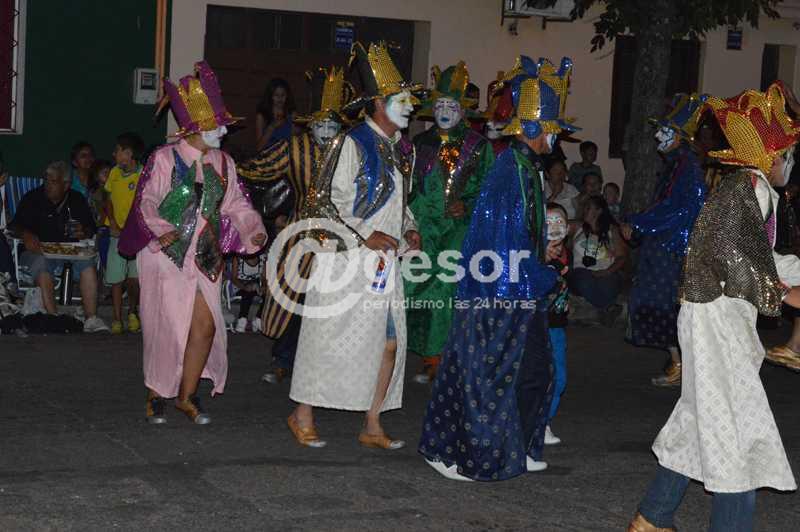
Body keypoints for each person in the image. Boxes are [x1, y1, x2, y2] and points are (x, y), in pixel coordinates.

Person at [627, 82, 800, 532]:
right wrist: (781, 294)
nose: (791, 162)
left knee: (699, 418)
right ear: (771, 156)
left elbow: (756, 255)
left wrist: (793, 274)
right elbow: (730, 253)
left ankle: (652, 519)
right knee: (735, 426)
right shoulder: (751, 189)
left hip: (712, 314)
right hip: (716, 319)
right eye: (787, 153)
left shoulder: (747, 187)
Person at [419, 56, 578, 481]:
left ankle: (519, 445)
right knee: (482, 376)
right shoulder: (510, 173)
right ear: (533, 129)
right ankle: (453, 454)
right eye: (551, 128)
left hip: (521, 292)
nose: (556, 136)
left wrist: (543, 261)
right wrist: (542, 276)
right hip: (500, 295)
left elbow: (522, 236)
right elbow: (506, 248)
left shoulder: (527, 169)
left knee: (536, 371)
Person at [287, 41, 422, 449]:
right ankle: (302, 413)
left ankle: (372, 423)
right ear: (379, 103)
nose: (411, 107)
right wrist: (364, 235)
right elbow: (323, 202)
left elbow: (399, 204)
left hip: (383, 265)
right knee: (329, 338)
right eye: (402, 100)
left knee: (389, 342)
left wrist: (409, 229)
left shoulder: (402, 150)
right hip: (345, 260)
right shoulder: (351, 143)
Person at [119, 61, 266, 425]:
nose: (223, 131)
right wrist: (159, 228)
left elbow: (236, 204)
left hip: (205, 255)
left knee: (206, 324)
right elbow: (147, 200)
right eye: (216, 125)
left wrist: (252, 230)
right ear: (193, 128)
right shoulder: (164, 158)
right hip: (165, 255)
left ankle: (186, 396)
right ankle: (156, 392)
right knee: (167, 326)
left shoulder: (224, 163)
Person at [238, 66, 353, 384]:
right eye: (321, 123)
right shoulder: (294, 147)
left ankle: (325, 365)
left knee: (333, 302)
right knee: (293, 297)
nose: (326, 130)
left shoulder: (351, 150)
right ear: (310, 123)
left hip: (341, 239)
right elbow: (256, 169)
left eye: (332, 124)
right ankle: (284, 360)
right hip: (300, 234)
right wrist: (223, 168)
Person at [405, 61, 494, 384]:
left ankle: (437, 357)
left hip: (457, 230)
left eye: (451, 105)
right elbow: (409, 188)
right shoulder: (420, 144)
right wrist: (410, 223)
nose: (444, 111)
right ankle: (411, 348)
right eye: (440, 104)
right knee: (411, 286)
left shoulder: (478, 146)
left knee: (444, 288)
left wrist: (467, 205)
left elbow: (489, 190)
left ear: (463, 110)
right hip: (423, 227)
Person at [620, 93, 709, 388]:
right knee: (659, 305)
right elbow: (666, 205)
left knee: (665, 307)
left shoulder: (686, 168)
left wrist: (639, 222)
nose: (658, 135)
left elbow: (677, 209)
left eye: (665, 130)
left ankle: (683, 366)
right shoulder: (676, 164)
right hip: (665, 246)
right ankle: (679, 363)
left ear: (680, 137)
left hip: (673, 249)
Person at [10, 161, 108, 332]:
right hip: (38, 250)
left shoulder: (76, 199)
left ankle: (91, 318)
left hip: (69, 251)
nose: (47, 185)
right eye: (46, 180)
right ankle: (53, 318)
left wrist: (83, 231)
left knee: (87, 263)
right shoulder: (33, 198)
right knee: (41, 263)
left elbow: (91, 228)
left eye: (53, 181)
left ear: (66, 185)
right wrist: (25, 234)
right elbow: (14, 226)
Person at [106, 132, 145, 334]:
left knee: (134, 278)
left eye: (118, 151)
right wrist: (112, 222)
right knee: (116, 277)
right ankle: (116, 318)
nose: (114, 154)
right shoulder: (114, 172)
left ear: (129, 154)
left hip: (136, 235)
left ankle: (132, 312)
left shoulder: (144, 175)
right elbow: (108, 199)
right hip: (116, 234)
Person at [568, 195, 626, 326]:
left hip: (607, 271)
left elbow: (621, 257)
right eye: (585, 207)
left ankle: (599, 311)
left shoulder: (612, 230)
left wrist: (607, 271)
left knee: (608, 286)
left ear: (599, 211)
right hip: (582, 271)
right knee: (584, 281)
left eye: (588, 208)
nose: (584, 210)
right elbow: (557, 224)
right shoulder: (578, 226)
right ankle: (607, 308)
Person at [544, 202, 570, 446]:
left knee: (559, 377)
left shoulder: (564, 254)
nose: (554, 227)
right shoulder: (536, 256)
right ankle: (535, 422)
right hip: (536, 326)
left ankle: (543, 421)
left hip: (557, 327)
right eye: (548, 222)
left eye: (559, 221)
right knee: (538, 376)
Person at [255, 78, 297, 151]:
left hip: (287, 154)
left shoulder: (291, 114)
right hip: (268, 155)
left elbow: (294, 142)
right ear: (270, 96)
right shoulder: (262, 116)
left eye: (283, 95)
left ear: (287, 96)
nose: (280, 98)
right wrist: (271, 127)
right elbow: (259, 148)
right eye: (276, 95)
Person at [231, 252, 265, 333]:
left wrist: (263, 286)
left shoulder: (262, 257)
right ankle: (242, 320)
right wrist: (244, 287)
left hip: (256, 285)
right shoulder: (238, 258)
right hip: (239, 285)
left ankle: (258, 319)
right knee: (248, 292)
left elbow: (263, 277)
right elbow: (234, 278)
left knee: (268, 294)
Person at [89, 160, 112, 270]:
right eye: (104, 173)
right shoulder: (97, 192)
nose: (108, 175)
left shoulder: (112, 190)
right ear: (96, 176)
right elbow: (101, 214)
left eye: (110, 172)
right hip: (99, 228)